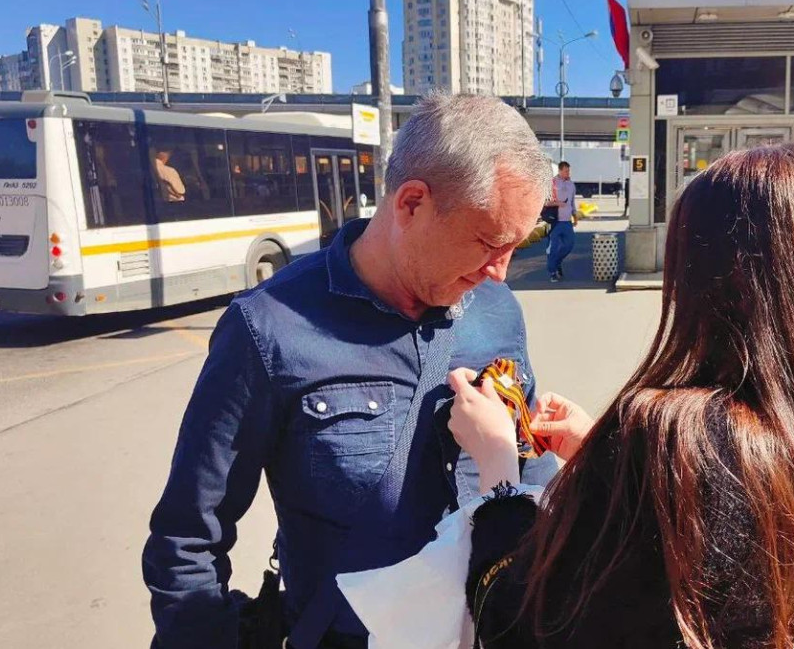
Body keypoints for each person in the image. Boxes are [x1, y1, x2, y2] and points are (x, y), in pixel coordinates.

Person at [449, 143, 794, 649]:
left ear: (704, 274)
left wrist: (498, 472)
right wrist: (602, 457)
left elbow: (524, 626)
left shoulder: (671, 435)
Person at [142, 93, 559, 649]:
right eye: (488, 242)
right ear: (412, 203)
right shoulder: (268, 328)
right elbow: (189, 538)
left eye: (518, 244)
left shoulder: (496, 310)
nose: (501, 272)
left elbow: (527, 463)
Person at [543, 161, 577, 282]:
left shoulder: (571, 185)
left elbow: (572, 202)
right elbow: (545, 202)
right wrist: (558, 203)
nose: (568, 173)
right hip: (555, 221)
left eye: (569, 171)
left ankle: (557, 263)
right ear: (560, 171)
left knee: (569, 245)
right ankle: (552, 272)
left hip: (567, 222)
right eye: (566, 171)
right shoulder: (552, 183)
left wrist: (575, 215)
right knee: (553, 248)